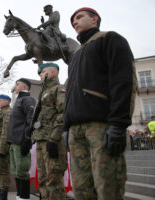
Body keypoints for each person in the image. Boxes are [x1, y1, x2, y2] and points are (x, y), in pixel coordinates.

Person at [64, 7, 137, 199]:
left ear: (94, 18)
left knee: (107, 188)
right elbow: (70, 93)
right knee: (81, 190)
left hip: (101, 127)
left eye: (79, 17)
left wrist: (119, 125)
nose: (75, 22)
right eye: (73, 21)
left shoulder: (110, 39)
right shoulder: (76, 56)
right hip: (75, 132)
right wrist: (65, 128)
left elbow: (124, 82)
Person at [33, 63, 67, 200]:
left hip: (52, 140)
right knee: (42, 178)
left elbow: (62, 113)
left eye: (43, 71)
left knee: (53, 178)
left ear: (53, 73)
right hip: (41, 139)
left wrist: (53, 138)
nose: (40, 74)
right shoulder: (43, 93)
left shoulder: (58, 89)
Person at [7, 78, 36, 200]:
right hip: (14, 141)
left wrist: (28, 139)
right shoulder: (19, 100)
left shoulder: (27, 100)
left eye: (17, 84)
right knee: (16, 171)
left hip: (21, 141)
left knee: (22, 170)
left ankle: (24, 197)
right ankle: (19, 195)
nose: (15, 86)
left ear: (25, 87)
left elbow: (31, 121)